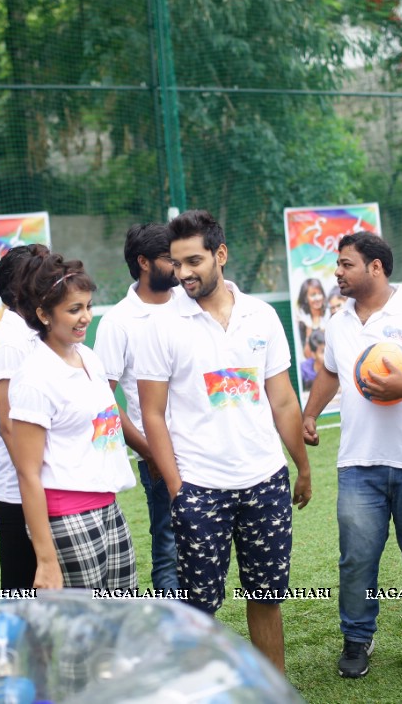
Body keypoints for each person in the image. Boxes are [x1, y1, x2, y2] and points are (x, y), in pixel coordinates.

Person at [136, 210, 312, 672]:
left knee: (267, 597)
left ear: (221, 254)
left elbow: (284, 401)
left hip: (265, 481)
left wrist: (303, 467)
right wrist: (179, 490)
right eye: (176, 264)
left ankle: (273, 690)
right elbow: (152, 415)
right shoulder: (160, 326)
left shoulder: (262, 316)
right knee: (200, 610)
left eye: (193, 261)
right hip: (200, 489)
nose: (183, 273)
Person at [301, 232, 402, 687]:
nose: (337, 273)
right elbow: (331, 372)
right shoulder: (338, 323)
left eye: (346, 264)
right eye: (337, 265)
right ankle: (356, 639)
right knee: (357, 560)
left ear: (375, 267)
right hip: (358, 464)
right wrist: (310, 413)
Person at [8, 254, 138, 589]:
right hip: (67, 519)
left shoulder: (89, 358)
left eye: (88, 306)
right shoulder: (34, 377)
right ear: (43, 314)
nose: (85, 318)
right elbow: (27, 473)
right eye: (74, 309)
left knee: (120, 622)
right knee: (82, 632)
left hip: (108, 507)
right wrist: (46, 559)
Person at [93, 223, 181, 590]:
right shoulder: (118, 322)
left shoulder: (191, 304)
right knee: (170, 550)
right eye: (169, 259)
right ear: (143, 262)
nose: (179, 267)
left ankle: (201, 631)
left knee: (210, 547)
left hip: (207, 448)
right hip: (159, 456)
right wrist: (151, 453)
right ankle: (175, 640)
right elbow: (101, 400)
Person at [0, 244, 45, 589]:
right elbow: (9, 426)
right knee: (22, 587)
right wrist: (35, 482)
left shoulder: (34, 330)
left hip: (39, 483)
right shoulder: (10, 340)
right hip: (19, 490)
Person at [296, 278, 327, 359]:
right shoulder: (304, 322)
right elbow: (307, 355)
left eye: (319, 293)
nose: (317, 298)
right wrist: (309, 330)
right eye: (313, 295)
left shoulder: (330, 315)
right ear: (306, 299)